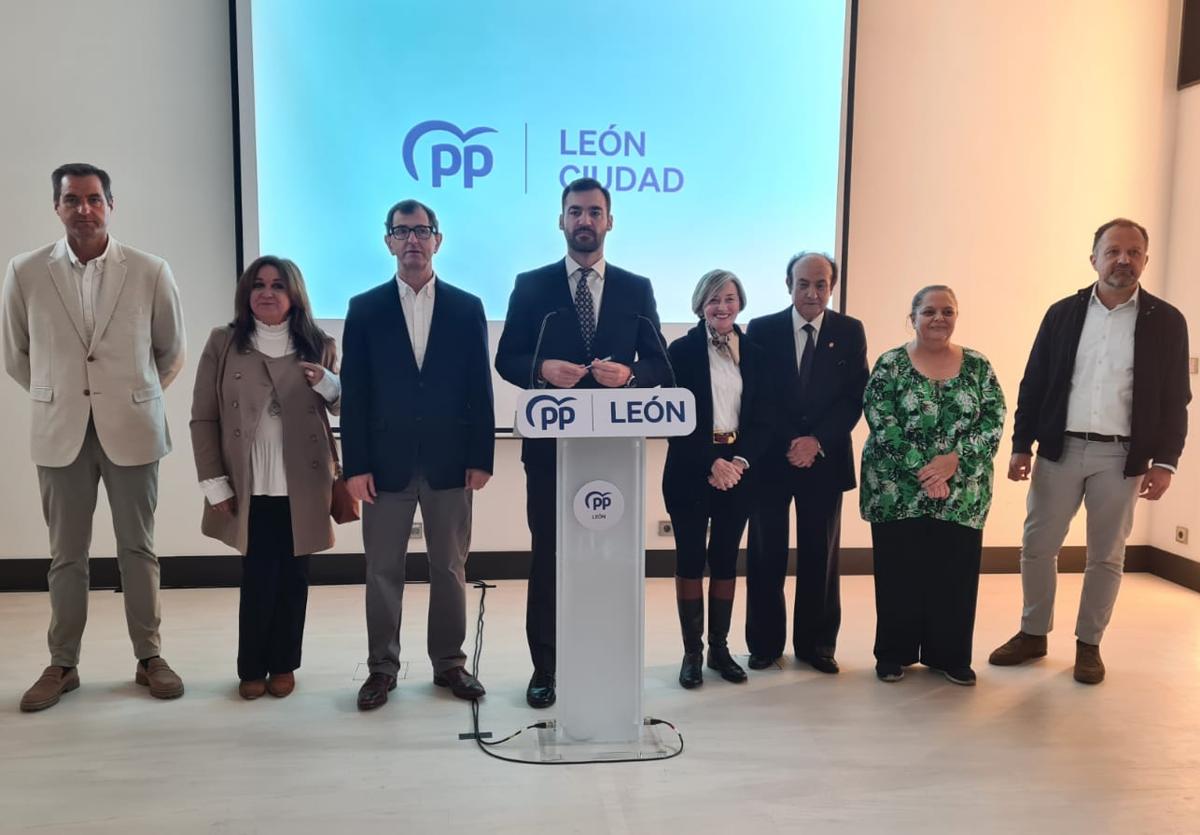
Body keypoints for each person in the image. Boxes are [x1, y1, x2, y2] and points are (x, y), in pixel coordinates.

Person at [3, 163, 186, 712]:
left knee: (139, 549)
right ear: (56, 206)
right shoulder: (26, 270)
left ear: (111, 203)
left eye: (93, 198)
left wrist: (127, 396)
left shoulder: (150, 270)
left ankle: (149, 656)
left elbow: (169, 353)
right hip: (60, 431)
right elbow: (17, 355)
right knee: (67, 556)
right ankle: (63, 663)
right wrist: (62, 395)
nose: (83, 209)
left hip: (132, 429)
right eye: (71, 199)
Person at [988, 218, 1190, 684]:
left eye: (1134, 252)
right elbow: (1034, 382)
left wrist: (1165, 461)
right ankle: (1033, 633)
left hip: (1123, 459)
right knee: (1037, 547)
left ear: (1145, 259)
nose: (1123, 259)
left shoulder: (1167, 320)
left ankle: (1088, 645)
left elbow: (1176, 397)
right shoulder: (1062, 313)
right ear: (1094, 257)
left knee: (1106, 556)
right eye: (1113, 250)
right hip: (1060, 449)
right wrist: (1021, 444)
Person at [495, 177, 671, 708]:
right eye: (575, 212)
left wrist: (631, 377)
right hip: (550, 453)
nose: (585, 221)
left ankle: (605, 658)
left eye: (595, 212)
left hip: (615, 454)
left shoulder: (636, 288)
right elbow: (507, 359)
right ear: (561, 220)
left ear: (609, 221)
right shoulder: (532, 286)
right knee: (549, 557)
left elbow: (661, 362)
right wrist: (542, 368)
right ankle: (545, 668)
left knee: (609, 558)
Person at [342, 199, 494, 711]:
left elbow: (480, 388)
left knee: (449, 565)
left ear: (438, 240)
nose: (412, 240)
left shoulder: (467, 307)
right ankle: (382, 667)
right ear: (387, 240)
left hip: (452, 460)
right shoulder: (364, 309)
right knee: (382, 567)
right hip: (384, 464)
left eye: (422, 231)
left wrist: (482, 456)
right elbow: (357, 394)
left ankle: (449, 662)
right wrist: (355, 465)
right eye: (402, 231)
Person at [190, 256, 340, 699]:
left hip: (303, 482)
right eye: (258, 285)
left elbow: (343, 404)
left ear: (294, 294)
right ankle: (251, 665)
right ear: (246, 293)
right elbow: (203, 417)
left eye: (278, 285)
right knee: (257, 578)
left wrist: (329, 382)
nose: (267, 293)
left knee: (294, 578)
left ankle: (284, 665)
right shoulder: (224, 342)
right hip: (249, 481)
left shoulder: (319, 343)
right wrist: (213, 481)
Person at [860, 286, 1005, 686]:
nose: (938, 318)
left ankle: (950, 655)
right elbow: (881, 419)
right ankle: (893, 654)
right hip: (896, 489)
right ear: (913, 317)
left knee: (954, 576)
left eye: (947, 311)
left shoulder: (978, 366)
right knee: (898, 574)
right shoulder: (890, 364)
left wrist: (952, 462)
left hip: (962, 492)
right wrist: (925, 472)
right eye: (929, 311)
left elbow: (994, 418)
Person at [743, 252, 867, 674]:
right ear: (788, 284)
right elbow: (756, 397)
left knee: (821, 555)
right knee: (765, 553)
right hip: (771, 461)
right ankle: (764, 644)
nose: (811, 293)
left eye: (820, 284)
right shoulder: (761, 329)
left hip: (825, 459)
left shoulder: (850, 331)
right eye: (803, 284)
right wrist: (790, 441)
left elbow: (854, 396)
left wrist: (817, 441)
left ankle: (817, 646)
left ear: (832, 286)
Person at [663, 270, 771, 689]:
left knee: (726, 558)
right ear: (700, 305)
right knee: (690, 559)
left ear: (739, 302)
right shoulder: (681, 351)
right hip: (692, 467)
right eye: (713, 299)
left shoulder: (757, 354)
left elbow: (765, 418)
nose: (722, 306)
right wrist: (712, 461)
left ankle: (719, 650)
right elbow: (674, 417)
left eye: (728, 298)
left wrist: (738, 461)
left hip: (740, 469)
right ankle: (691, 653)